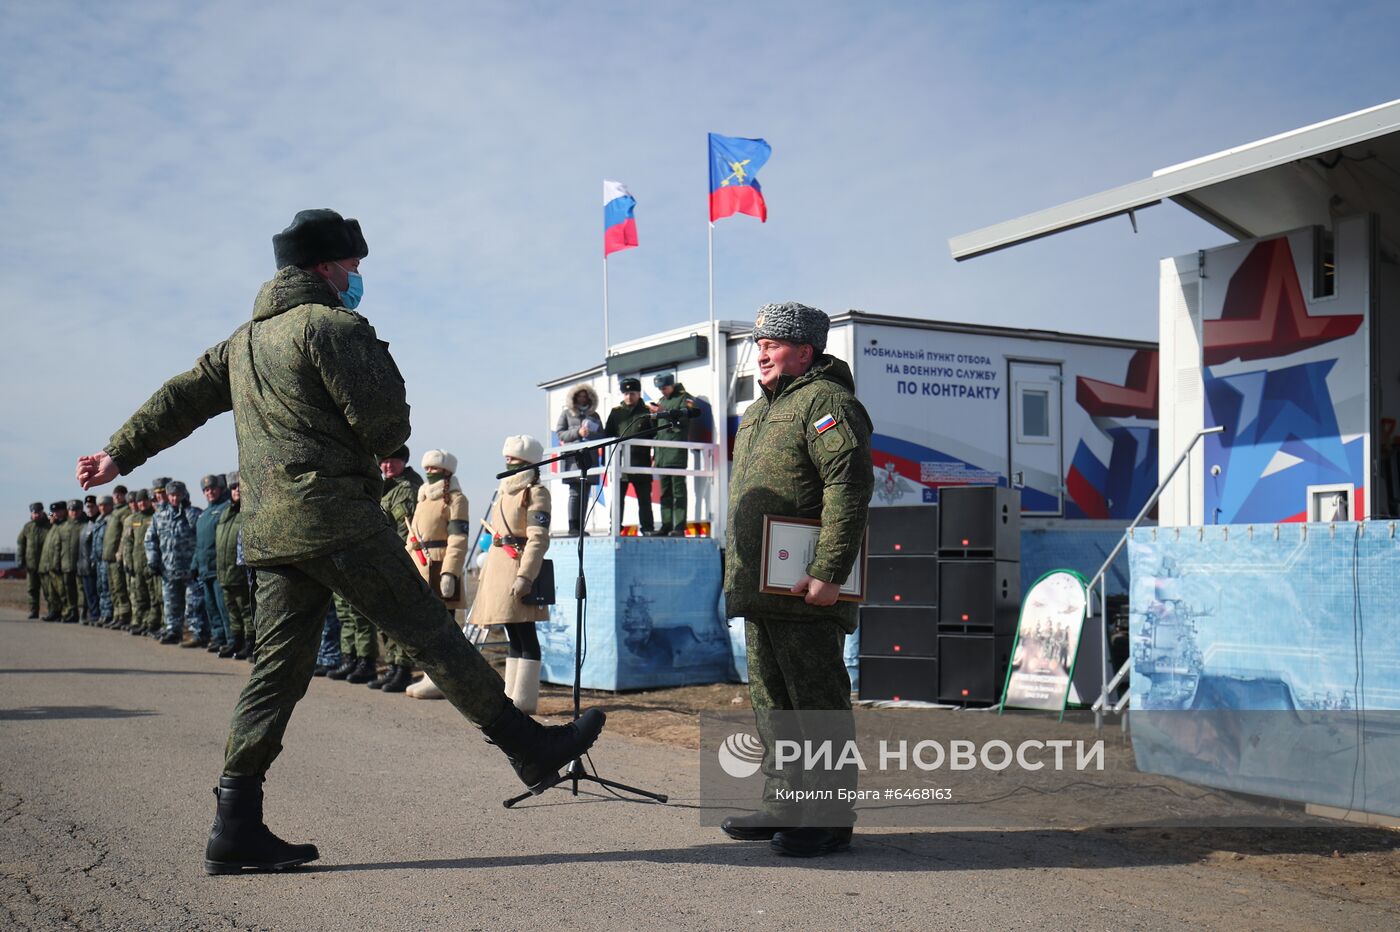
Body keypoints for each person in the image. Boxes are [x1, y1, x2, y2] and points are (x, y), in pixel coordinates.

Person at [76, 207, 604, 874]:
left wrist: (117, 456)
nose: (357, 279)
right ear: (326, 267)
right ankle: (530, 747)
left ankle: (235, 822)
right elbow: (386, 430)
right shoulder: (333, 326)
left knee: (277, 670)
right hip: (335, 517)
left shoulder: (240, 344)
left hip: (272, 531)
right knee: (430, 635)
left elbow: (177, 400)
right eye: (353, 268)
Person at [720, 302, 873, 858]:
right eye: (758, 342)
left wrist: (828, 572)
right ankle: (785, 804)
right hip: (764, 587)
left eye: (773, 343)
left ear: (806, 351)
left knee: (816, 703)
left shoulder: (828, 403)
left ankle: (830, 817)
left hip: (807, 588)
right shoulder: (760, 412)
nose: (760, 351)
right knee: (773, 703)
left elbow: (848, 490)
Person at [472, 435, 552, 714]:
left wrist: (526, 576)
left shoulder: (536, 492)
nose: (509, 464)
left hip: (518, 568)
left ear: (528, 463)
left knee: (525, 634)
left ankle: (525, 698)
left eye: (514, 461)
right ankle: (511, 695)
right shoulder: (503, 492)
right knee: (513, 633)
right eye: (507, 459)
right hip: (498, 569)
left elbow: (538, 538)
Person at [404, 449, 470, 699]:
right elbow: (413, 537)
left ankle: (448, 680)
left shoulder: (456, 499)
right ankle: (430, 676)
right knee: (426, 628)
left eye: (435, 470)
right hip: (421, 564)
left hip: (441, 566)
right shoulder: (423, 498)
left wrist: (450, 573)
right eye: (427, 469)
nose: (430, 473)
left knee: (445, 630)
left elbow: (458, 538)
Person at [371, 446, 423, 689]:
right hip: (382, 559)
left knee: (401, 619)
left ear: (403, 462)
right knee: (386, 617)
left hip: (398, 559)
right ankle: (393, 666)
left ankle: (402, 669)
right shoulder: (386, 488)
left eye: (393, 461)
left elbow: (405, 531)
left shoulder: (407, 489)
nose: (387, 466)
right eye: (383, 461)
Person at [148, 480, 201, 646]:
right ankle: (173, 630)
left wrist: (186, 509)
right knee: (171, 603)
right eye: (171, 495)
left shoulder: (192, 513)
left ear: (184, 495)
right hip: (168, 568)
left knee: (192, 604)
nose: (174, 498)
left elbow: (201, 537)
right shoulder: (159, 516)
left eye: (178, 495)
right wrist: (153, 561)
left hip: (189, 569)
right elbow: (151, 540)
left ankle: (195, 632)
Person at [604, 377, 656, 535]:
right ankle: (615, 528)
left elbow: (655, 434)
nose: (629, 397)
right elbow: (607, 436)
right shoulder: (616, 413)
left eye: (632, 393)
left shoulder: (647, 412)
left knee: (644, 500)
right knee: (618, 499)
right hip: (621, 464)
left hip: (642, 462)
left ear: (639, 393)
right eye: (626, 393)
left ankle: (647, 528)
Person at [650, 373, 697, 536]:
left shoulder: (684, 398)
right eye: (660, 389)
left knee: (678, 492)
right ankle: (666, 525)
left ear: (672, 385)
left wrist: (665, 411)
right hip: (662, 455)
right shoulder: (661, 401)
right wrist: (655, 456)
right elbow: (658, 431)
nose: (662, 391)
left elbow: (685, 420)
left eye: (664, 388)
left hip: (676, 454)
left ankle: (678, 527)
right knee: (664, 493)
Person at [554, 383, 602, 536]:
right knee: (575, 492)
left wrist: (590, 433)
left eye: (585, 396)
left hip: (590, 458)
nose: (582, 399)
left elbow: (602, 435)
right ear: (574, 398)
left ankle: (581, 527)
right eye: (579, 396)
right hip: (573, 459)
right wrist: (578, 432)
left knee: (585, 492)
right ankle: (573, 526)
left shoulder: (594, 415)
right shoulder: (566, 414)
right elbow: (561, 434)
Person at [215, 471, 253, 658]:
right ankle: (236, 642)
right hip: (225, 572)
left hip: (240, 572)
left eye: (239, 486)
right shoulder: (226, 513)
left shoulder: (249, 512)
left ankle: (250, 644)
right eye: (233, 487)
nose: (236, 490)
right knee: (232, 611)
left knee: (246, 611)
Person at [195, 474, 234, 652]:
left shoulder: (226, 509)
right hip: (205, 569)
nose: (209, 492)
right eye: (206, 490)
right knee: (211, 608)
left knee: (224, 607)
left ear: (220, 489)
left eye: (212, 488)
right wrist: (195, 564)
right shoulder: (203, 515)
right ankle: (218, 638)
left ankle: (230, 640)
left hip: (219, 568)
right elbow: (199, 544)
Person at [122, 490, 161, 635]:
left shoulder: (154, 516)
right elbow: (128, 542)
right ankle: (142, 621)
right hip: (137, 564)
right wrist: (129, 562)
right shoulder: (134, 519)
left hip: (150, 564)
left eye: (144, 500)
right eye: (139, 501)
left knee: (154, 595)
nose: (142, 503)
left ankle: (152, 622)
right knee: (140, 595)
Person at [102, 486, 132, 629]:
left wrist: (119, 554)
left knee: (120, 588)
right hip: (108, 556)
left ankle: (124, 616)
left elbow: (123, 536)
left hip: (116, 556)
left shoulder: (125, 512)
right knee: (113, 588)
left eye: (120, 495)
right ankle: (116, 614)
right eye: (115, 495)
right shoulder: (114, 512)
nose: (117, 497)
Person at [16, 503, 50, 619]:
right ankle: (33, 611)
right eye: (34, 513)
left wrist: (50, 516)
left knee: (48, 590)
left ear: (42, 512)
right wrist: (20, 560)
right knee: (32, 589)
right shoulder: (28, 527)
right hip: (31, 564)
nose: (36, 515)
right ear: (31, 513)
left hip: (45, 565)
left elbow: (55, 517)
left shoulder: (48, 525)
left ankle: (51, 611)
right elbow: (21, 544)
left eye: (38, 513)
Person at [39, 502, 68, 621]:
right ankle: (53, 611)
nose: (55, 514)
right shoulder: (53, 525)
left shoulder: (65, 524)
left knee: (61, 591)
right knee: (50, 592)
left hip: (58, 564)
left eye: (58, 512)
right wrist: (52, 517)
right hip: (47, 564)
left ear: (63, 511)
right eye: (53, 512)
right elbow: (46, 514)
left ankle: (65, 613)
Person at [59, 499, 86, 623]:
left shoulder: (85, 525)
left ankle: (82, 613)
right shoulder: (63, 526)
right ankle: (72, 612)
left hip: (79, 563)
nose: (74, 512)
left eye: (76, 510)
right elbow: (58, 546)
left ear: (81, 510)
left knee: (81, 590)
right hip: (66, 563)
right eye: (71, 510)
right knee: (68, 590)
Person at [90, 495, 115, 625]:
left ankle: (108, 614)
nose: (103, 508)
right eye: (100, 505)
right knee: (100, 587)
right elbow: (95, 542)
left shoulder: (111, 520)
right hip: (98, 560)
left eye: (105, 505)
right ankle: (103, 613)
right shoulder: (98, 520)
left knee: (108, 587)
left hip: (107, 559)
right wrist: (93, 557)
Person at [78, 495, 102, 623]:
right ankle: (90, 615)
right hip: (83, 565)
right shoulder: (85, 522)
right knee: (88, 593)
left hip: (94, 564)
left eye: (93, 506)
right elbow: (55, 514)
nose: (90, 509)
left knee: (95, 592)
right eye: (87, 506)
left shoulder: (99, 521)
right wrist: (49, 515)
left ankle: (95, 615)